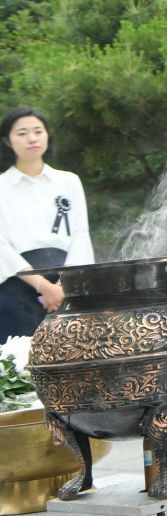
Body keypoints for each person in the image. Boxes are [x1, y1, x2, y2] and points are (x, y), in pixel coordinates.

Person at [0, 108, 93, 344]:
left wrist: (62, 286)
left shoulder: (68, 181)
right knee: (20, 363)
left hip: (67, 285)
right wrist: (43, 286)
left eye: (38, 131)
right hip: (17, 285)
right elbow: (2, 246)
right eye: (22, 133)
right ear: (7, 141)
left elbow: (81, 236)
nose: (32, 138)